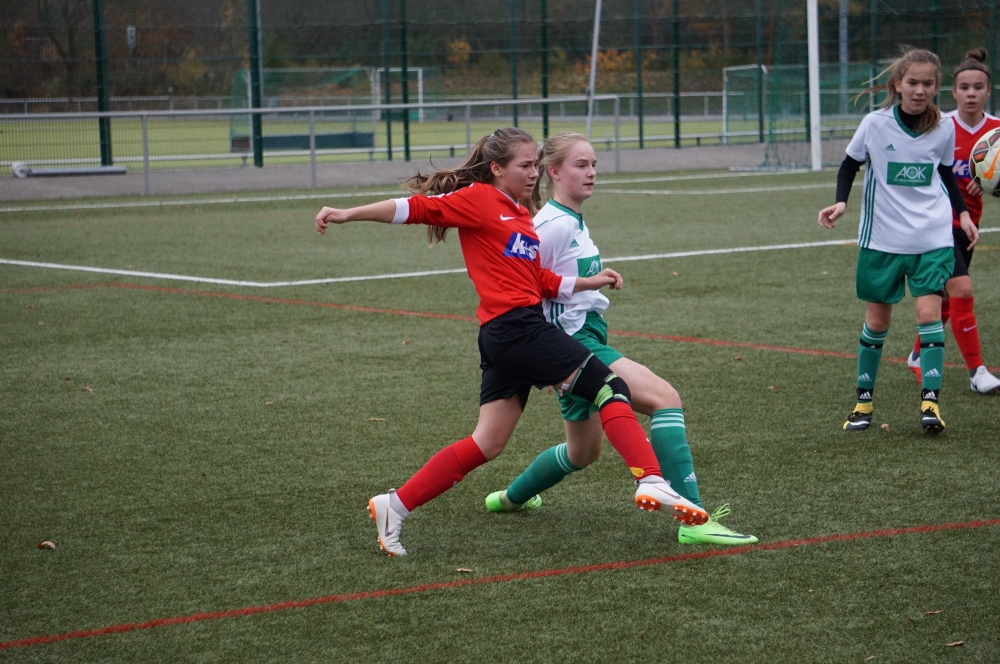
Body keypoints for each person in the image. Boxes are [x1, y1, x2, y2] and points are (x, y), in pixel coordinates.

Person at [315, 127, 709, 556]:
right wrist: (347, 214)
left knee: (487, 443)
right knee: (610, 386)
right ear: (496, 169)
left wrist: (587, 281)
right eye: (525, 165)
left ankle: (395, 504)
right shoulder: (480, 200)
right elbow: (415, 207)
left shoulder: (519, 213)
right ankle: (650, 478)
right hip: (518, 329)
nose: (533, 173)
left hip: (503, 336)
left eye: (535, 165)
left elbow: (538, 278)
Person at [482, 133, 757, 546]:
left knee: (583, 453)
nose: (591, 172)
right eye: (580, 165)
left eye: (593, 164)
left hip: (580, 337)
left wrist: (592, 282)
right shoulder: (549, 225)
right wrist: (549, 356)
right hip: (574, 344)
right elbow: (522, 288)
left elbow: (558, 279)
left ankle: (510, 498)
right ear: (553, 172)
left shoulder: (568, 219)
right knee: (665, 398)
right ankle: (695, 521)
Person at [818, 49, 980, 434]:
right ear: (897, 84)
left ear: (936, 87)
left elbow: (944, 175)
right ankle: (863, 402)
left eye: (927, 84)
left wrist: (962, 215)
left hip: (932, 236)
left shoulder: (943, 127)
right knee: (877, 321)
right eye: (913, 82)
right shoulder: (875, 124)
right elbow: (849, 164)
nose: (920, 90)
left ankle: (931, 403)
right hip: (882, 239)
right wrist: (841, 202)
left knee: (928, 315)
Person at [905, 48, 1000, 394]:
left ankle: (917, 355)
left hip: (968, 226)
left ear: (989, 91)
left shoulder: (997, 133)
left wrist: (989, 185)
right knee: (962, 289)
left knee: (947, 301)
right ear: (954, 92)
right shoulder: (939, 127)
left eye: (978, 87)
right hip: (936, 225)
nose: (971, 93)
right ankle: (978, 373)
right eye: (964, 87)